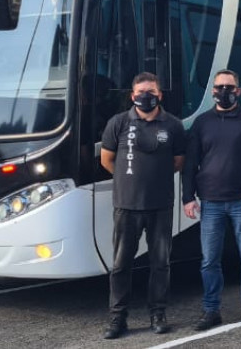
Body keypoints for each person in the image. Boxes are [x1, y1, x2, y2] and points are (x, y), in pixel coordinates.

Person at [99, 72, 186, 339]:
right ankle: (118, 318)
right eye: (140, 93)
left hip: (160, 206)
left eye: (151, 92)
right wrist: (128, 180)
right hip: (126, 206)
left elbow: (178, 162)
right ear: (132, 96)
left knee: (160, 263)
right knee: (121, 265)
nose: (145, 97)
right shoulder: (118, 123)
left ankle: (158, 314)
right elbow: (107, 159)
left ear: (160, 95)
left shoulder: (173, 125)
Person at [183, 69, 241, 332]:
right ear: (212, 91)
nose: (224, 91)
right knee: (209, 259)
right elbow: (190, 163)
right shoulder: (202, 123)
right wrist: (188, 197)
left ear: (238, 91)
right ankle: (211, 310)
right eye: (219, 87)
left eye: (229, 87)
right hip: (210, 202)